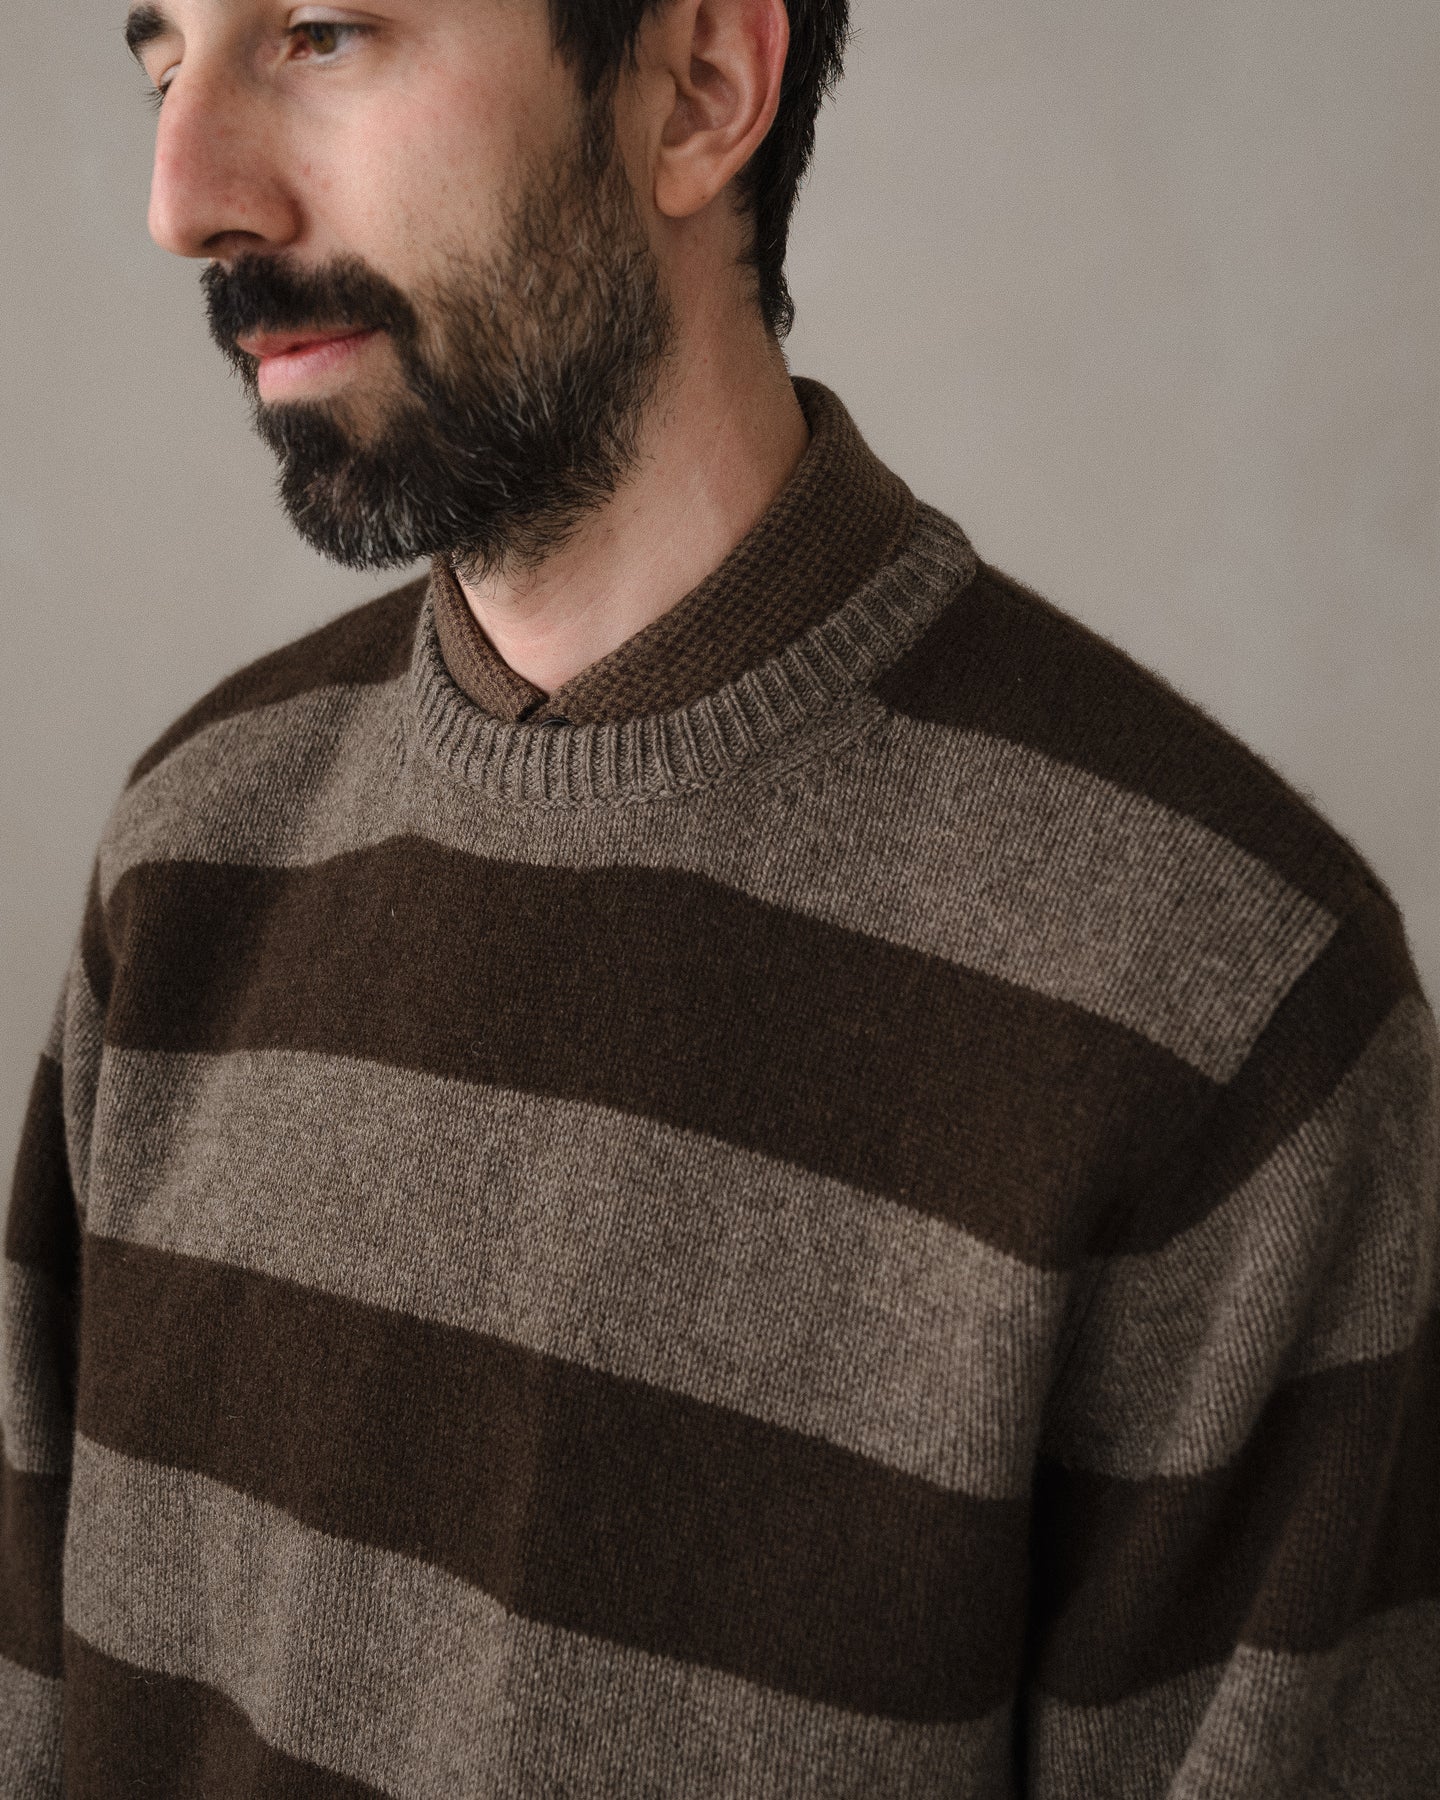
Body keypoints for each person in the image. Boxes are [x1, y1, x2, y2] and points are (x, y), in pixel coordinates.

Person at [2, 0, 1435, 1792]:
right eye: (163, 65)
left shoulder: (1229, 1004)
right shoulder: (189, 854)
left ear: (697, 87)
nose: (183, 198)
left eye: (320, 34)